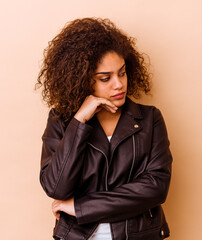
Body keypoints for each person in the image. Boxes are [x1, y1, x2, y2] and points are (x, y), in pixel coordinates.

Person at [36, 18, 172, 240]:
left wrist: (81, 207)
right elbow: (56, 187)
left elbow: (155, 188)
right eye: (105, 78)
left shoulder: (150, 119)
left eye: (122, 73)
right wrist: (79, 121)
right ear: (82, 80)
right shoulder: (61, 121)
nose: (118, 84)